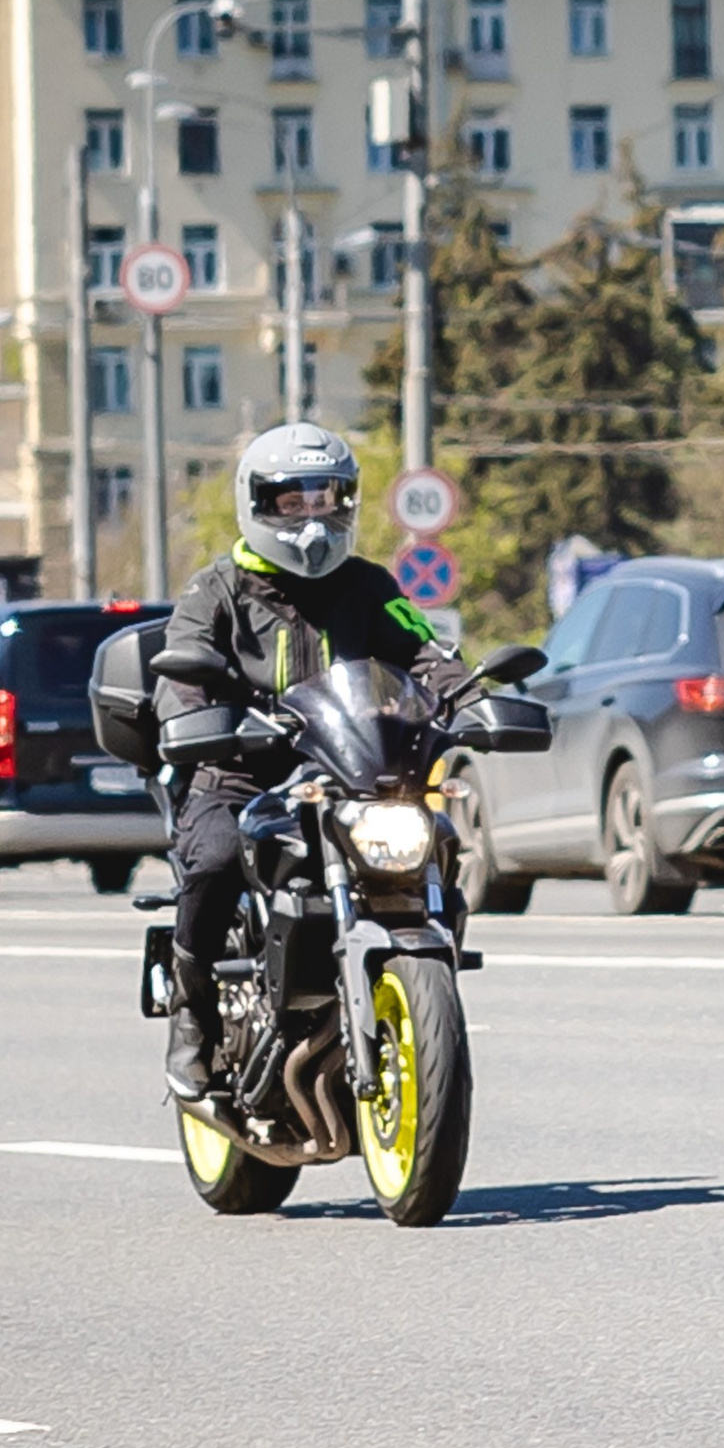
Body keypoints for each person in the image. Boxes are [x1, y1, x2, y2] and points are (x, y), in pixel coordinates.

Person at [154, 422, 465, 1100]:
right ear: (259, 505)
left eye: (323, 499)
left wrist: (468, 699)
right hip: (242, 771)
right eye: (291, 501)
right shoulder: (219, 588)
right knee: (210, 858)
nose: (311, 515)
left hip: (349, 770)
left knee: (437, 842)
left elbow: (421, 652)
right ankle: (193, 1015)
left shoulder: (367, 585)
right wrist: (192, 716)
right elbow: (180, 672)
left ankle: (423, 977)